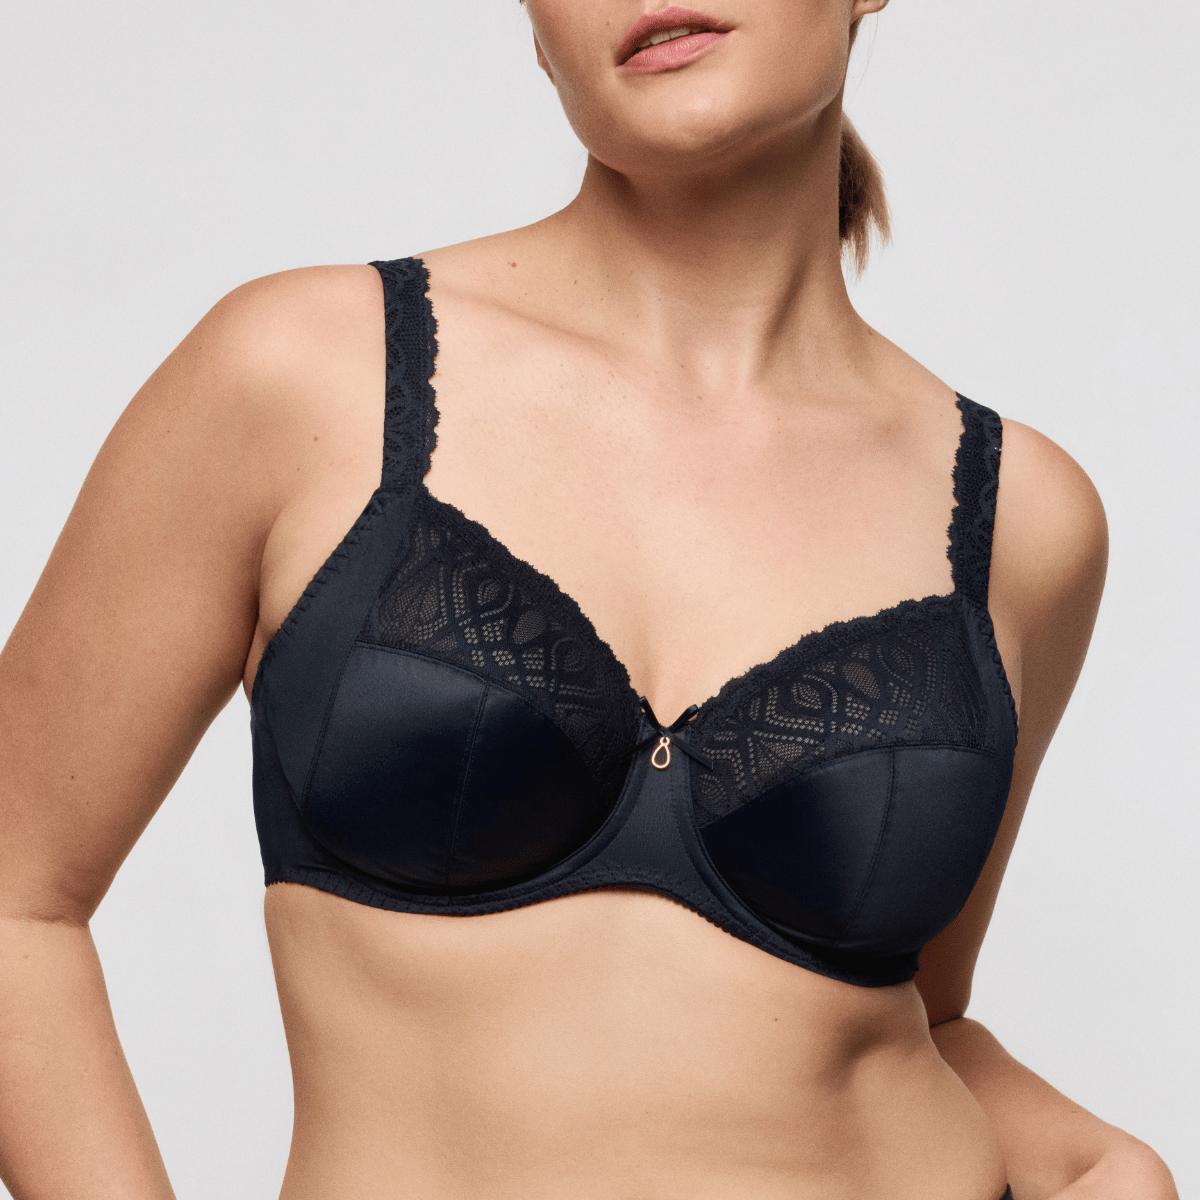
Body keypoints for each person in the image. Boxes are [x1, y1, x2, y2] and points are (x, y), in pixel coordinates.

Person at [0, 1, 1180, 1197]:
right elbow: (14, 902)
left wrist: (1098, 1163)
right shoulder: (304, 376)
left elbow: (908, 1009)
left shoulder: (1020, 519)